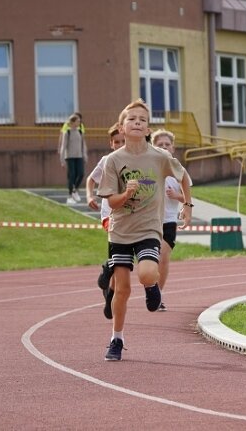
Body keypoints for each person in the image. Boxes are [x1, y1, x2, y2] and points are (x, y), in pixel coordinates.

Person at [97, 99, 192, 360]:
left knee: (148, 272)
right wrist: (125, 194)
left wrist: (188, 204)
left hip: (150, 228)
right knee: (122, 289)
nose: (137, 123)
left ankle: (152, 288)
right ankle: (116, 339)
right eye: (132, 119)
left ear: (148, 128)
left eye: (142, 120)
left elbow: (183, 175)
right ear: (122, 126)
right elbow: (111, 202)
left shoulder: (159, 157)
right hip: (120, 231)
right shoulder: (113, 161)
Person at [150, 128, 192, 311]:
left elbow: (187, 197)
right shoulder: (147, 167)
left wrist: (177, 196)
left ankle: (158, 294)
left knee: (163, 257)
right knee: (150, 260)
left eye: (167, 144)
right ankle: (150, 288)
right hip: (148, 220)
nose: (164, 147)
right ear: (153, 147)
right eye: (160, 144)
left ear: (173, 148)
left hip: (168, 220)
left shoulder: (178, 170)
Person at [88, 122, 125, 318]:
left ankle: (109, 291)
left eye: (123, 141)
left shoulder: (135, 161)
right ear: (111, 143)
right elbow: (91, 180)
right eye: (116, 142)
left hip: (130, 216)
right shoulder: (106, 161)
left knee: (122, 262)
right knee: (118, 255)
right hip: (109, 214)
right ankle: (108, 268)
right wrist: (89, 196)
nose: (120, 145)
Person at [58, 114, 86, 204]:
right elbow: (63, 147)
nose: (79, 122)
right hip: (70, 157)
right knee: (72, 175)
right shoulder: (68, 133)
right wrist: (62, 160)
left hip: (79, 156)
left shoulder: (80, 132)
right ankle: (70, 196)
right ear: (73, 122)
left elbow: (83, 144)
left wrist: (85, 155)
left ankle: (75, 191)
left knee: (81, 174)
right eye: (77, 121)